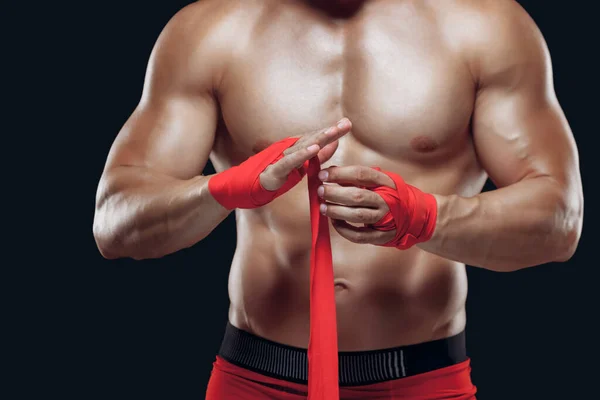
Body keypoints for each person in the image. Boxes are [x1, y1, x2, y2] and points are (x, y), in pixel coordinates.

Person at [93, 0, 583, 399]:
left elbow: (559, 220)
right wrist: (223, 190)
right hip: (254, 379)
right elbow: (114, 222)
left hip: (421, 381)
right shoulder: (212, 31)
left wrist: (425, 216)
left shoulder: (486, 27)